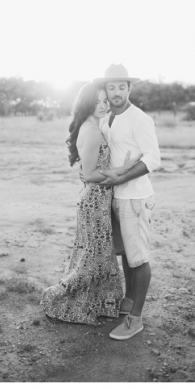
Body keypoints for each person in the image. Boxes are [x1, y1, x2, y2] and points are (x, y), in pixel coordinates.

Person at [41, 82, 140, 325]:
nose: (102, 105)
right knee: (92, 257)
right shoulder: (92, 131)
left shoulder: (93, 126)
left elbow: (89, 173)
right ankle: (63, 299)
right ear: (86, 104)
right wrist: (123, 169)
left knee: (97, 254)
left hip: (96, 200)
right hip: (94, 201)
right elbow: (90, 174)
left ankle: (97, 304)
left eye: (104, 101)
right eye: (96, 102)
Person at [93, 63, 161, 341]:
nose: (117, 92)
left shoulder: (139, 118)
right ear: (106, 90)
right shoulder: (106, 118)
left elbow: (153, 159)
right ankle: (129, 300)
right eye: (112, 87)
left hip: (135, 197)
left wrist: (120, 179)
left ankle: (136, 319)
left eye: (122, 86)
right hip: (116, 197)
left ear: (129, 88)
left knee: (139, 258)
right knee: (125, 255)